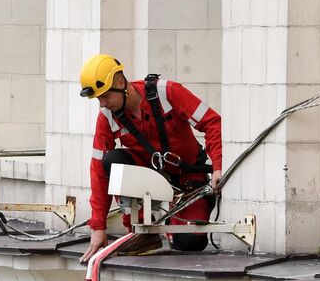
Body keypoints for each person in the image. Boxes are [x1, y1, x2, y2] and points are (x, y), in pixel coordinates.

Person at [77, 54, 222, 262]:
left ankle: (172, 222)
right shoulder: (107, 117)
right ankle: (143, 232)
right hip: (149, 179)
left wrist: (217, 166)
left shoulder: (168, 93)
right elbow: (99, 171)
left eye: (105, 95)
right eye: (98, 98)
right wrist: (98, 227)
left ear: (120, 82)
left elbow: (212, 122)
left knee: (191, 243)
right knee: (112, 160)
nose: (102, 103)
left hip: (188, 181)